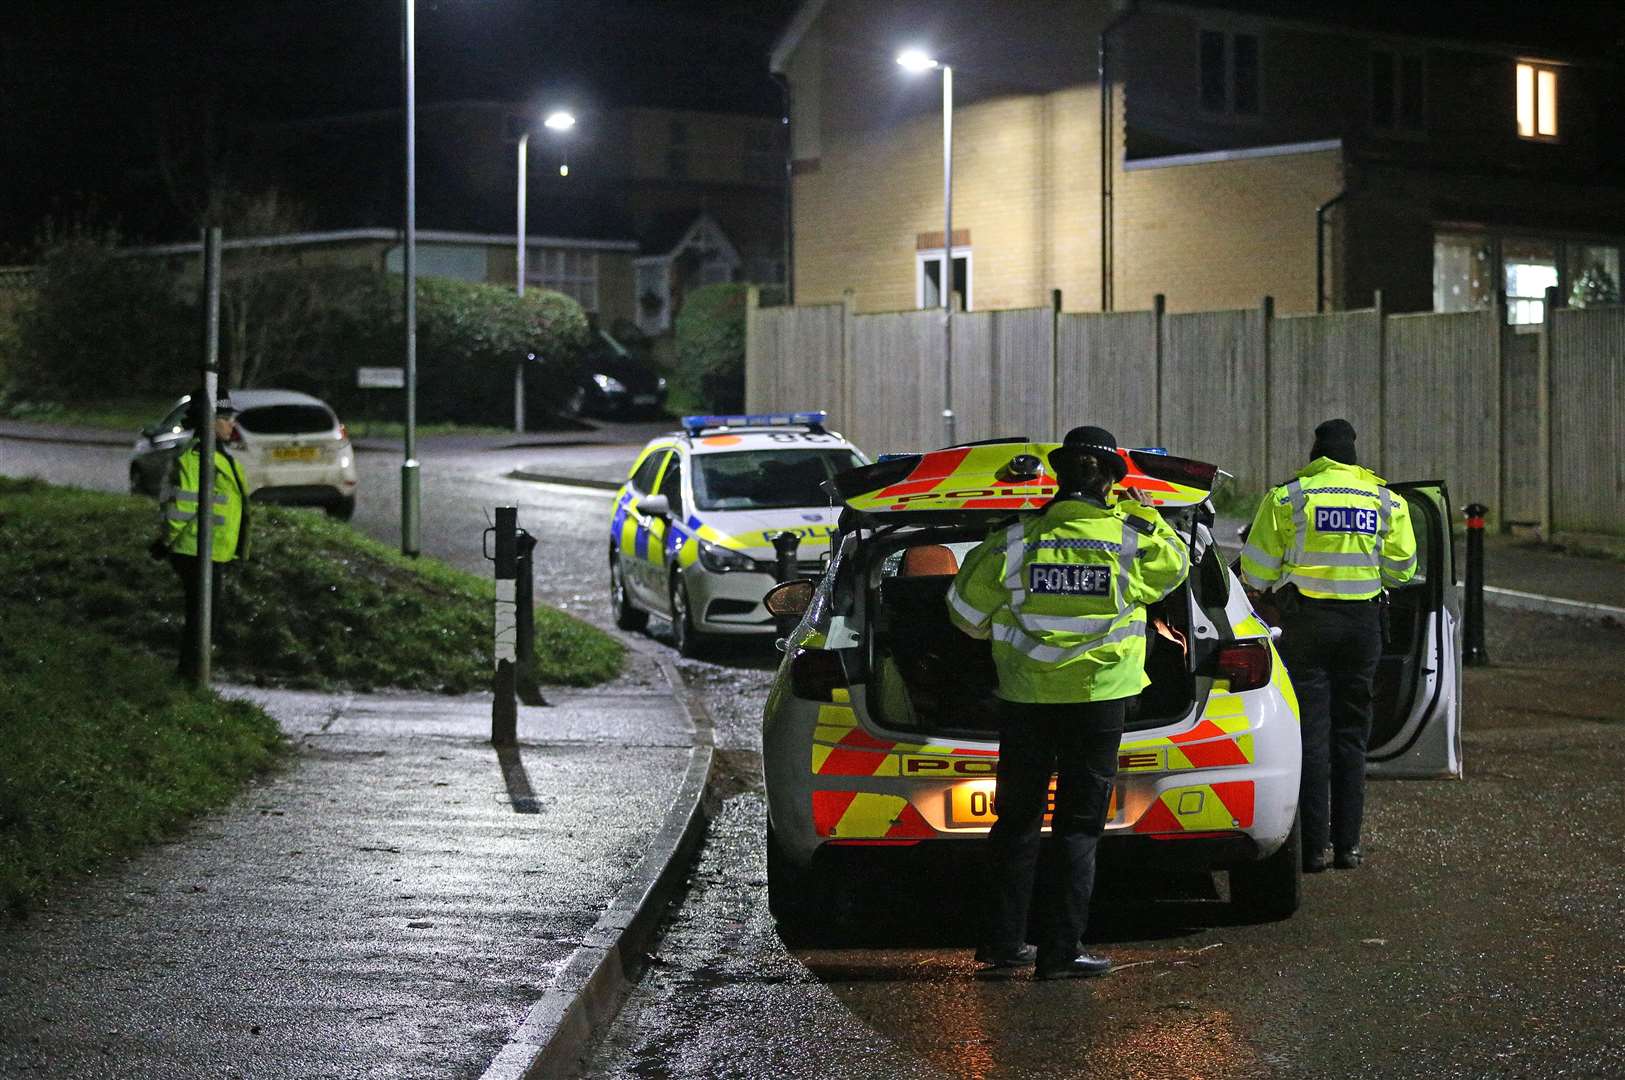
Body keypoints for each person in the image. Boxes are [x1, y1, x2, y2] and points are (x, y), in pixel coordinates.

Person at [947, 426, 1189, 979]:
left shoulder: (1015, 541)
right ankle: (1061, 953)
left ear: (1059, 475)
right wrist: (1149, 515)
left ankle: (1002, 946)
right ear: (1109, 481)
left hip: (1026, 699)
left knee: (1016, 822)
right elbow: (1175, 567)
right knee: (1079, 828)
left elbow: (963, 615)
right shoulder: (1130, 539)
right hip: (1100, 702)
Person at [1239, 418, 1416, 872]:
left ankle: (1313, 848)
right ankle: (1349, 847)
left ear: (1316, 452)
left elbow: (1255, 573)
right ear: (1354, 453)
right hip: (1362, 627)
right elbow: (1401, 570)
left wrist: (1283, 581)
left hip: (1308, 625)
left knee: (1310, 734)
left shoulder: (1290, 496)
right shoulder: (1385, 499)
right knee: (1352, 736)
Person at [151, 393, 252, 680]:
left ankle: (192, 676)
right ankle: (190, 678)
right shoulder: (197, 456)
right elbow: (183, 504)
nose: (232, 424)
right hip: (194, 549)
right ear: (210, 422)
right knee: (202, 620)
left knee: (205, 619)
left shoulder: (218, 453)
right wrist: (166, 540)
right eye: (226, 419)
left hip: (211, 548)